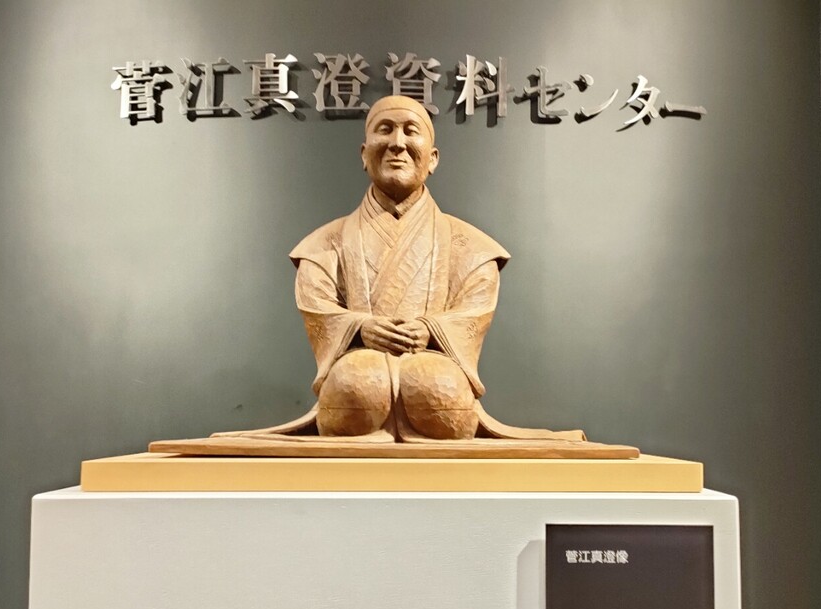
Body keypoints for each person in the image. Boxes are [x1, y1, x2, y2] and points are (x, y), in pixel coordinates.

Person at [224, 94, 583, 443]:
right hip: (355, 383)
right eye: (384, 129)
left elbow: (473, 311)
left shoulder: (473, 248)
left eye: (411, 131)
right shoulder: (322, 246)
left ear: (433, 158)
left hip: (437, 378)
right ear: (364, 154)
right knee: (358, 383)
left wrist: (430, 330)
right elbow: (317, 305)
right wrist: (360, 328)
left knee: (433, 385)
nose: (397, 143)